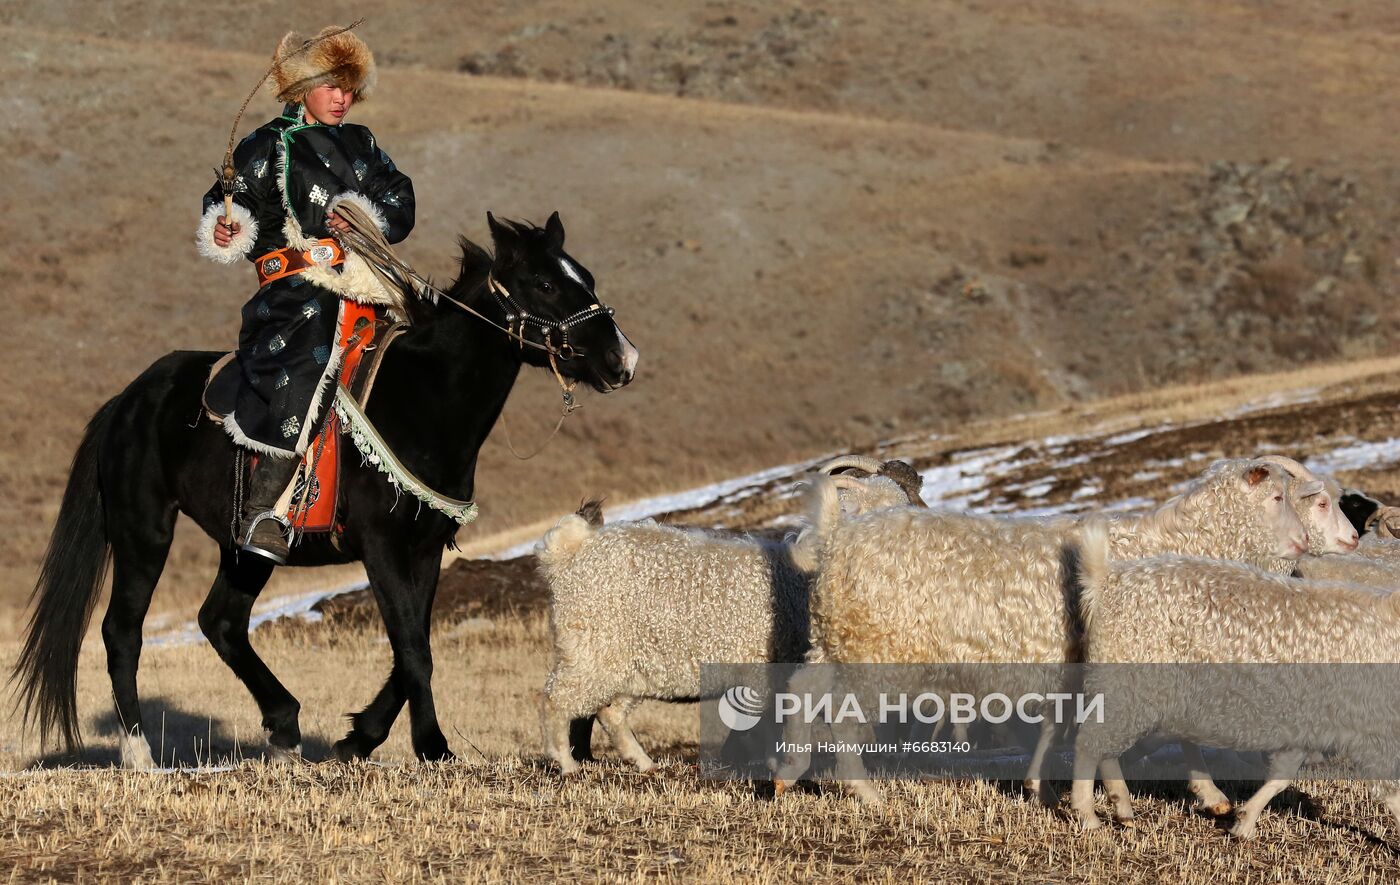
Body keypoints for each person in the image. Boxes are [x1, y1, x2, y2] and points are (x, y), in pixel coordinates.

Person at [197, 25, 416, 563]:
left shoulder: (361, 144)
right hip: (294, 294)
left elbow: (400, 197)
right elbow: (225, 202)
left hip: (364, 280)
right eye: (332, 86)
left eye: (349, 87)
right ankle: (263, 511)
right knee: (311, 347)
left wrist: (367, 217)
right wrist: (227, 228)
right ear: (301, 88)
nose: (343, 98)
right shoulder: (265, 145)